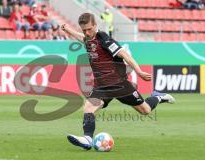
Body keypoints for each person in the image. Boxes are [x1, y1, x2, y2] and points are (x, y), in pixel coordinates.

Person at [61, 13, 175, 150]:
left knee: (145, 110)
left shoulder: (104, 38)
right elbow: (82, 39)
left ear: (96, 26)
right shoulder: (88, 38)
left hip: (119, 85)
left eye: (89, 29)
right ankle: (87, 139)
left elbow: (124, 54)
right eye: (84, 30)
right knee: (88, 107)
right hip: (101, 86)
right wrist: (68, 30)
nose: (86, 32)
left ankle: (158, 97)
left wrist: (138, 71)